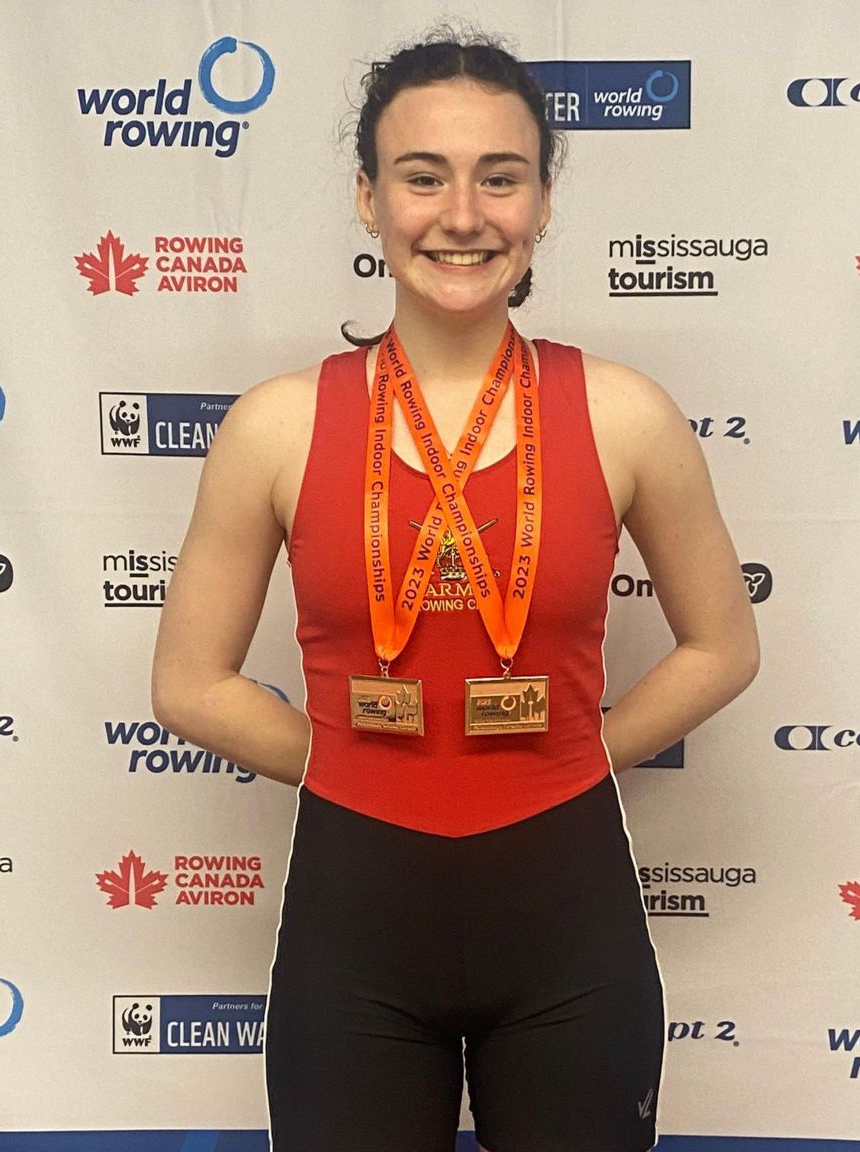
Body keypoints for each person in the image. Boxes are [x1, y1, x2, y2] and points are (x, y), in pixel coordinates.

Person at [150, 33, 759, 1152]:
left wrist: (573, 746)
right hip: (354, 944)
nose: (462, 213)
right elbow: (188, 684)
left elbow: (721, 646)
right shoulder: (275, 425)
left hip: (568, 932)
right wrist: (347, 750)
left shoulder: (624, 413)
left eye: (500, 176)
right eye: (423, 176)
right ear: (368, 196)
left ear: (540, 200)